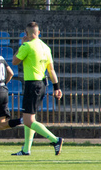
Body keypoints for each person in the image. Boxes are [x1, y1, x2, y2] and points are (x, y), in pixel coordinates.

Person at [7, 21, 64, 156]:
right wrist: (57, 87)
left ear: (26, 33)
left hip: (32, 85)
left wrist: (22, 44)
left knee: (28, 120)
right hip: (43, 84)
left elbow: (14, 61)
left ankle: (55, 140)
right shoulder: (46, 47)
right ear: (38, 33)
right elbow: (51, 70)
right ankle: (26, 149)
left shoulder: (27, 45)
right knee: (29, 117)